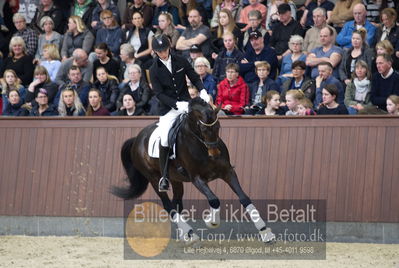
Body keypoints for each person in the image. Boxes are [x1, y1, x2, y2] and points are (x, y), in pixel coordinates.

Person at [149, 34, 209, 192]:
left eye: (164, 49)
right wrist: (176, 104)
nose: (163, 53)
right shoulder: (153, 69)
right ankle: (164, 176)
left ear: (169, 47)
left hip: (187, 103)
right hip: (169, 109)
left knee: (204, 123)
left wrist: (202, 90)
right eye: (159, 51)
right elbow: (159, 94)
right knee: (164, 138)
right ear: (155, 52)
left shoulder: (181, 60)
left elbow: (194, 77)